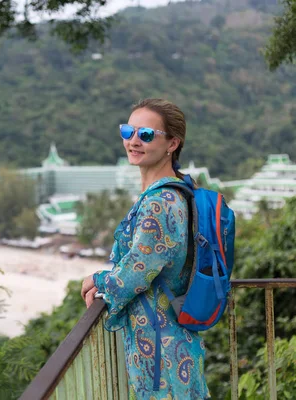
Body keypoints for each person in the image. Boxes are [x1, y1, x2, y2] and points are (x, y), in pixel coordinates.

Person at [80, 98, 210, 399]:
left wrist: (97, 280)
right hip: (173, 339)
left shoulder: (160, 203)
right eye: (128, 132)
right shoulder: (178, 191)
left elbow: (136, 273)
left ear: (172, 143)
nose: (134, 141)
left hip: (161, 351)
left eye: (146, 135)